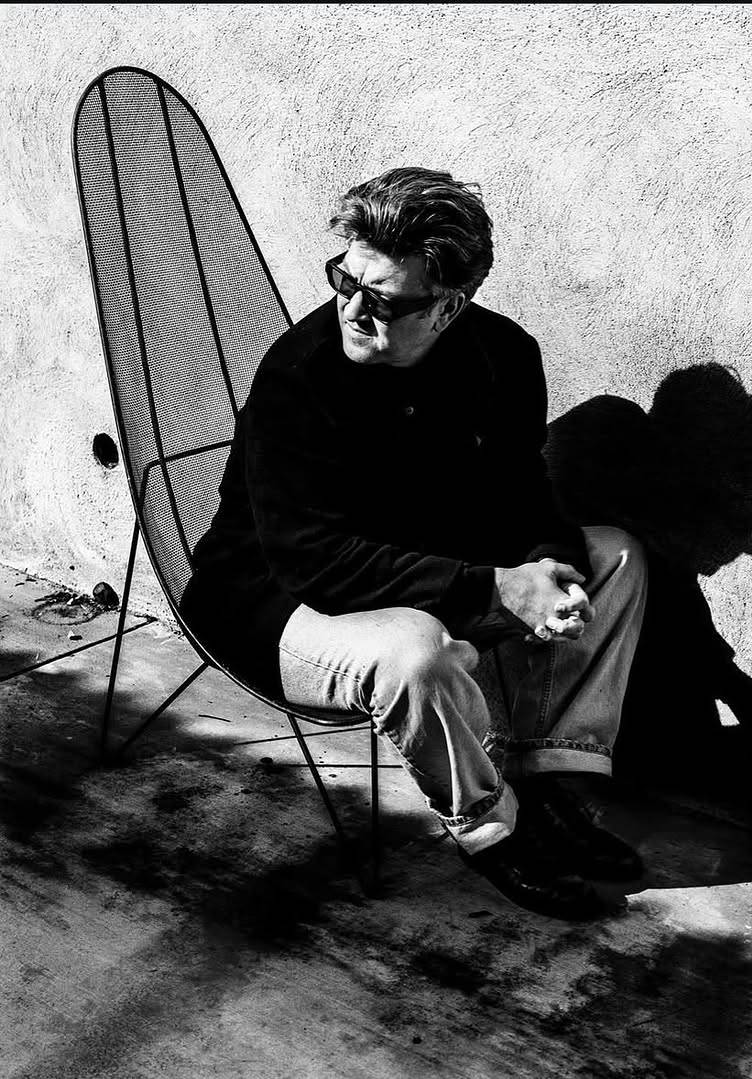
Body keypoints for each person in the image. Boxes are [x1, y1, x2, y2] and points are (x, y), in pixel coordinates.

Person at [180, 167, 648, 920]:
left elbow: (522, 492)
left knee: (616, 557)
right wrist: (494, 589)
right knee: (415, 650)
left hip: (418, 573)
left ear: (449, 306)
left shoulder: (503, 357)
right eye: (344, 279)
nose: (351, 308)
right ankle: (494, 830)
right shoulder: (300, 377)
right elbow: (315, 561)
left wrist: (547, 566)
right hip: (274, 602)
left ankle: (553, 785)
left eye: (384, 299)